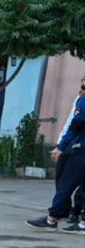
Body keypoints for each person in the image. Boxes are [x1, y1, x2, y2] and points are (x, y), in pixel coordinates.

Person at [30, 80, 85, 233]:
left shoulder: (83, 101)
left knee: (65, 184)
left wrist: (61, 147)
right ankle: (81, 223)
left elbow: (75, 126)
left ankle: (52, 219)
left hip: (79, 150)